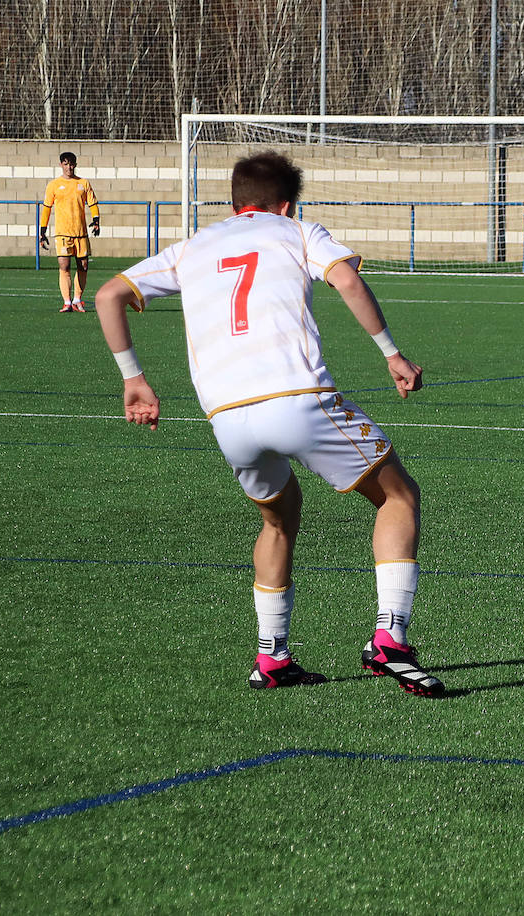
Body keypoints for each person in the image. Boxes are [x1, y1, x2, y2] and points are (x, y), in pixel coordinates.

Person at [94, 151, 445, 697]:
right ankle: (390, 639)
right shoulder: (297, 231)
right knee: (398, 495)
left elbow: (108, 293)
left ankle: (272, 657)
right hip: (298, 398)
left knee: (278, 518)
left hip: (227, 417)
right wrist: (392, 354)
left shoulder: (193, 247)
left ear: (235, 202)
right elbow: (348, 282)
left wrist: (133, 380)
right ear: (286, 204)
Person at [40, 151, 101, 312]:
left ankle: (77, 300)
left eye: (71, 164)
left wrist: (96, 220)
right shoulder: (53, 185)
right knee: (64, 265)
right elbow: (46, 208)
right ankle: (67, 302)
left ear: (76, 164)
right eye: (66, 164)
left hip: (80, 233)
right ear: (61, 165)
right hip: (62, 233)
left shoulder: (83, 183)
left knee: (84, 265)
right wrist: (42, 230)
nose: (69, 167)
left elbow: (92, 203)